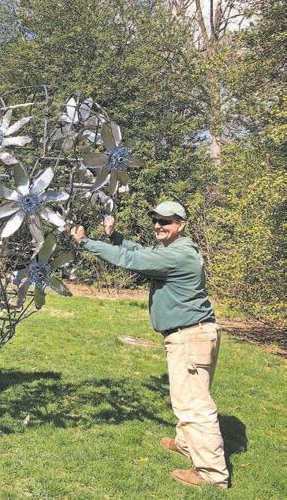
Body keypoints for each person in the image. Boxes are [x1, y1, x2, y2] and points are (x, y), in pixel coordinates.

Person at [70, 201, 229, 489]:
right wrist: (114, 236)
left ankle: (212, 473)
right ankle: (186, 444)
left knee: (194, 405)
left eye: (165, 221)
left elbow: (131, 259)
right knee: (187, 396)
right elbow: (139, 250)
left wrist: (85, 242)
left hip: (189, 337)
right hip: (190, 335)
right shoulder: (176, 249)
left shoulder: (177, 255)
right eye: (155, 220)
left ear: (180, 224)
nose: (158, 226)